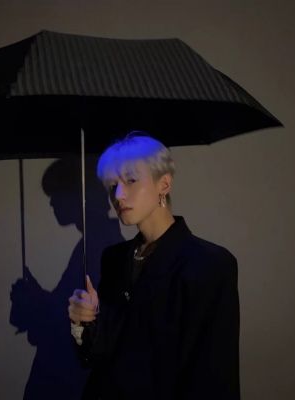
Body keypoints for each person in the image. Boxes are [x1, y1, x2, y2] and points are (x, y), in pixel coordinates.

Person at [68, 132, 240, 399]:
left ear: (164, 184)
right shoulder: (114, 259)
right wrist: (84, 322)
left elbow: (213, 375)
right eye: (112, 185)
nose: (118, 195)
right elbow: (98, 356)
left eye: (131, 180)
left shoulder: (210, 264)